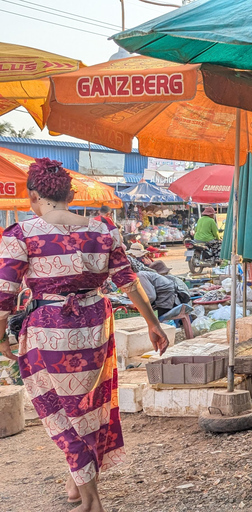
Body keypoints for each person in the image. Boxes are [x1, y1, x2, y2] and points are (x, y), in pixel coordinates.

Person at [0, 158, 169, 512]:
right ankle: (77, 483)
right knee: (88, 403)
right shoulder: (103, 230)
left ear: (33, 195)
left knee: (58, 409)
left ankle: (91, 501)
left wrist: (1, 337)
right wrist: (153, 324)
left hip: (49, 330)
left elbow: (4, 295)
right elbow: (129, 282)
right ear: (70, 194)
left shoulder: (21, 234)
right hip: (95, 324)